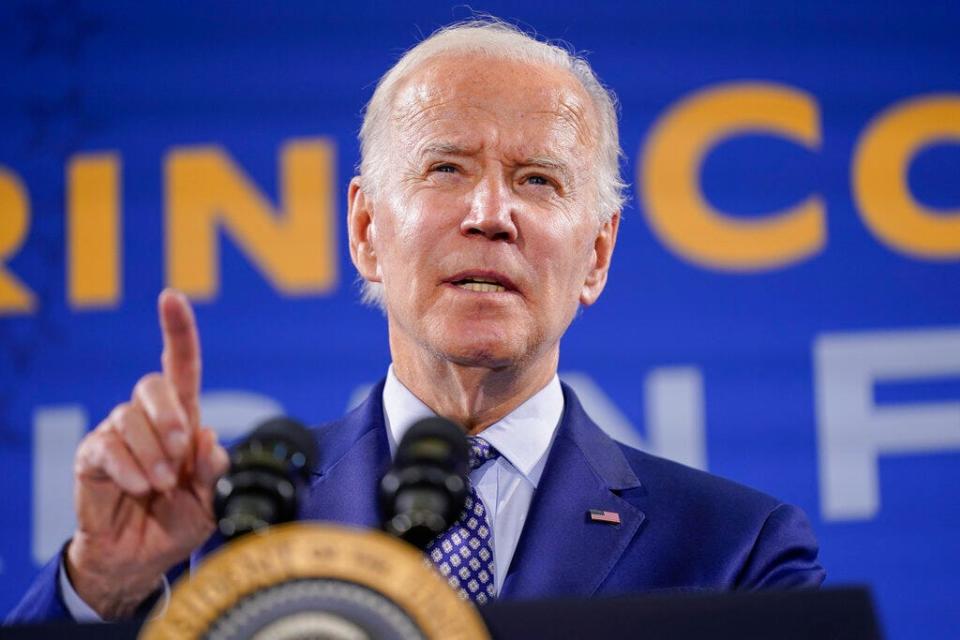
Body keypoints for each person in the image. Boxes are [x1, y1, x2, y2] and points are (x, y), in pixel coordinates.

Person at [7, 18, 824, 624]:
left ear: (598, 255)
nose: (491, 213)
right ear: (366, 230)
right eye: (446, 167)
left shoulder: (736, 552)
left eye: (538, 180)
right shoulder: (219, 526)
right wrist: (102, 587)